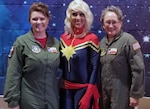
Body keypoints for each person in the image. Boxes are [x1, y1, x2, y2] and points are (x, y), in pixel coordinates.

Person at [4, 2, 60, 109]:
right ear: (29, 20)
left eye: (42, 18)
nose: (38, 22)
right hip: (30, 101)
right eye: (34, 19)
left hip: (52, 101)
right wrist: (13, 102)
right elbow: (13, 73)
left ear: (48, 20)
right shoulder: (21, 43)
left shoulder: (56, 43)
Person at [99, 5, 145, 109]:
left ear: (120, 23)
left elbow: (138, 69)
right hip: (105, 94)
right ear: (103, 25)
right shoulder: (102, 43)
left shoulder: (129, 41)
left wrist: (135, 95)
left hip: (122, 94)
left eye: (114, 22)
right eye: (107, 22)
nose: (111, 25)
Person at [59, 0, 100, 109]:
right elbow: (60, 65)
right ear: (69, 16)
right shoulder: (63, 38)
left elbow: (95, 68)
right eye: (74, 14)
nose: (78, 18)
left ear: (87, 17)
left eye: (82, 14)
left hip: (83, 90)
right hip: (65, 90)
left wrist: (88, 93)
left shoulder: (91, 39)